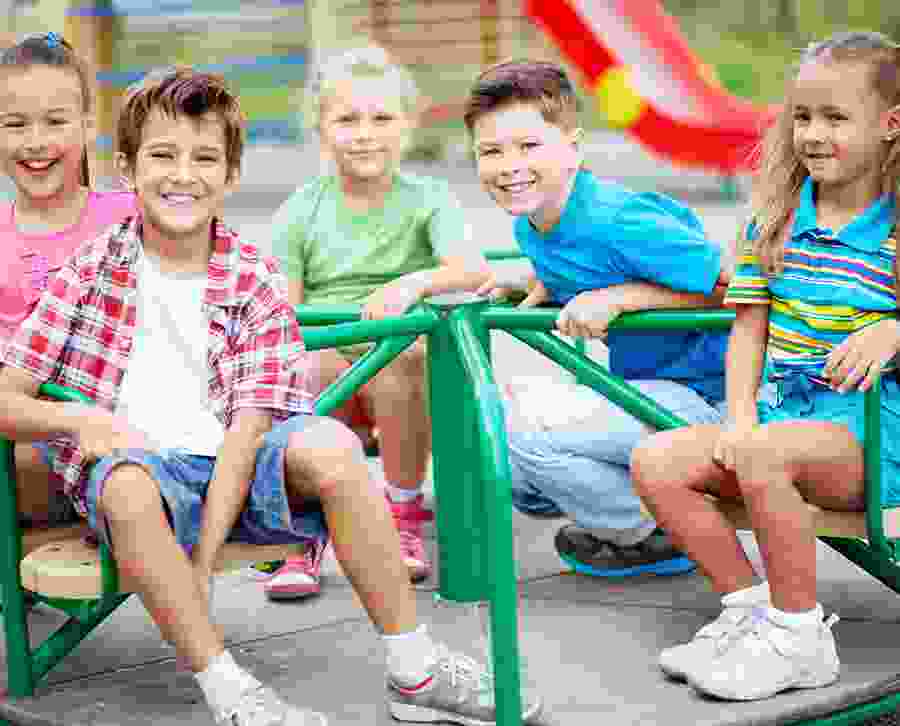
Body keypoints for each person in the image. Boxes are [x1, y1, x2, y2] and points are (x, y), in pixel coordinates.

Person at [0, 65, 540, 726]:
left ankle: (415, 668)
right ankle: (232, 693)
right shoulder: (91, 269)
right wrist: (77, 418)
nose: (182, 175)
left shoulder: (252, 276)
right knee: (125, 486)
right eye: (163, 156)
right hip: (140, 475)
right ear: (127, 170)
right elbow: (8, 396)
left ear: (230, 176)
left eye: (205, 159)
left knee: (332, 445)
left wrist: (203, 562)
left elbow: (249, 428)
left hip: (240, 464)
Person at [631, 30, 900, 701]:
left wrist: (894, 328)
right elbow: (749, 329)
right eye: (803, 117)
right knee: (657, 461)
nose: (814, 134)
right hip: (787, 417)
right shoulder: (775, 221)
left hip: (876, 430)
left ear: (890, 125)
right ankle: (751, 613)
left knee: (763, 453)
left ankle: (801, 639)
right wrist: (740, 416)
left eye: (836, 117)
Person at [466, 59, 731, 576]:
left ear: (573, 148)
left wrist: (624, 297)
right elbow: (582, 262)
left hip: (716, 401)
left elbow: (739, 286)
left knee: (521, 433)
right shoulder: (534, 222)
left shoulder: (617, 219)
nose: (510, 166)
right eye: (491, 151)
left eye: (529, 146)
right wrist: (540, 280)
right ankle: (632, 510)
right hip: (651, 391)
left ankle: (663, 533)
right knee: (497, 439)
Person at [265, 46, 489, 597]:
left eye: (382, 118)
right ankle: (303, 528)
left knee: (402, 362)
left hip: (400, 355)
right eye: (347, 120)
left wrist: (412, 284)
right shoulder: (300, 209)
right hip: (332, 349)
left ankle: (402, 514)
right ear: (321, 129)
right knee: (299, 370)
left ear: (408, 126)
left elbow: (471, 269)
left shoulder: (429, 199)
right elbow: (283, 309)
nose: (365, 134)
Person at [0, 32, 136, 530]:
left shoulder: (131, 216)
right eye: (15, 124)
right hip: (27, 444)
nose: (35, 141)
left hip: (127, 434)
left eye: (55, 122)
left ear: (86, 126)